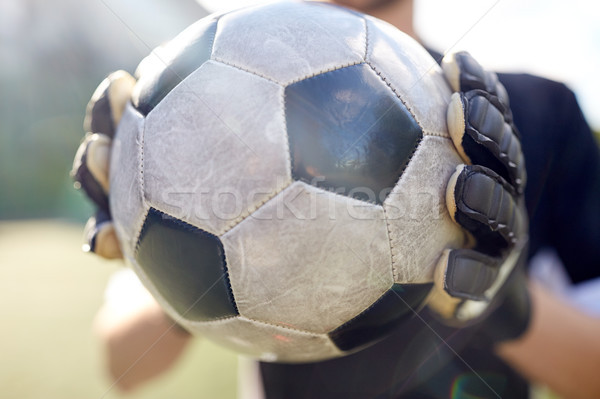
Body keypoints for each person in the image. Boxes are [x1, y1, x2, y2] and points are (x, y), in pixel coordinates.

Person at [73, 0, 600, 397]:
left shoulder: (535, 111)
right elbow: (122, 364)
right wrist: (169, 257)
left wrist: (506, 302)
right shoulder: (216, 95)